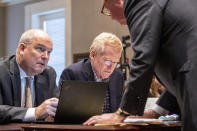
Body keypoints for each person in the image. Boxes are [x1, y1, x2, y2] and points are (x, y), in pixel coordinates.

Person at [84, 0, 197, 130]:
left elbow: (143, 58)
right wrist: (157, 111)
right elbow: (179, 70)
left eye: (107, 9)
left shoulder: (137, 2)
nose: (112, 17)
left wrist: (121, 114)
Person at [0, 29, 59, 123]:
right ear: (22, 49)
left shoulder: (48, 74)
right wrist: (35, 112)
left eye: (49, 52)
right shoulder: (2, 71)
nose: (45, 56)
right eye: (40, 49)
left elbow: (60, 107)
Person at [59, 32, 124, 113]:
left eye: (115, 63)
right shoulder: (72, 73)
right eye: (108, 61)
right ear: (93, 55)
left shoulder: (118, 76)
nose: (111, 68)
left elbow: (117, 111)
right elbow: (66, 114)